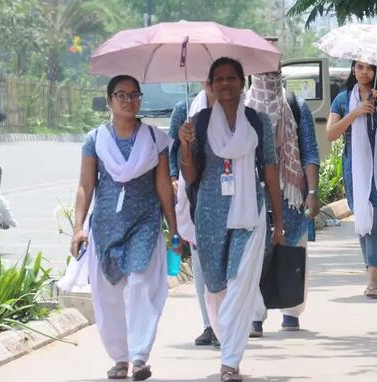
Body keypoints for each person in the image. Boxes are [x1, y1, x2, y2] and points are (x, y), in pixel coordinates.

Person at [178, 57, 284, 381]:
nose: (226, 83)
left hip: (249, 214)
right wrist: (184, 145)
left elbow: (269, 170)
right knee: (216, 287)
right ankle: (229, 346)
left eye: (232, 78)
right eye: (219, 79)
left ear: (243, 82)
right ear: (210, 85)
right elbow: (191, 174)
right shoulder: (197, 123)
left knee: (240, 284)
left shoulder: (258, 122)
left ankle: (230, 361)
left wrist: (278, 221)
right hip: (209, 216)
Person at [69, 75, 178, 381]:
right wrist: (79, 227)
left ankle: (140, 356)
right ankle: (121, 357)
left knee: (143, 283)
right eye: (122, 95)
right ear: (109, 101)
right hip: (106, 224)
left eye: (134, 95)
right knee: (108, 292)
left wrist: (173, 226)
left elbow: (162, 186)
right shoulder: (95, 139)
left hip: (144, 221)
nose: (129, 101)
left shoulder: (155, 139)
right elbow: (86, 184)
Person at [246, 71, 320, 335]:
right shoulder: (243, 108)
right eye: (261, 71)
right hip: (254, 193)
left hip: (291, 194)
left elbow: (309, 150)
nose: (267, 77)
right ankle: (255, 314)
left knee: (293, 250)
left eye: (272, 70)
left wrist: (312, 191)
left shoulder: (296, 106)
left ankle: (292, 311)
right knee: (254, 254)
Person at [327, 60, 377, 298]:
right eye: (359, 67)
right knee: (363, 220)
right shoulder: (343, 98)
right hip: (354, 167)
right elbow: (331, 133)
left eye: (369, 67)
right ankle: (370, 267)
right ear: (353, 70)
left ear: (376, 70)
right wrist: (355, 112)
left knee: (375, 219)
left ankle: (372, 274)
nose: (364, 72)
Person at [168, 82, 219, 347]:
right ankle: (209, 324)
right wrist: (174, 177)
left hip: (232, 197)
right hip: (195, 194)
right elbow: (172, 150)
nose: (217, 84)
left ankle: (228, 323)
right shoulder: (185, 110)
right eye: (211, 78)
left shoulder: (240, 112)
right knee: (200, 261)